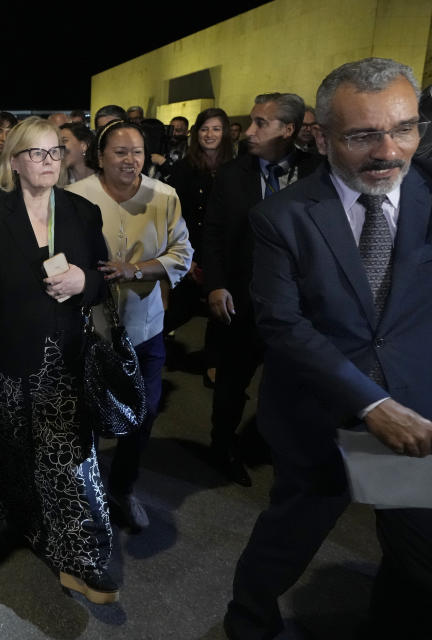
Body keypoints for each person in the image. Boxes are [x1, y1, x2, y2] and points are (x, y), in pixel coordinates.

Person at [225, 57, 432, 640]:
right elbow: (285, 327)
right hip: (318, 419)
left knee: (417, 562)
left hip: (415, 416)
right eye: (363, 135)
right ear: (320, 135)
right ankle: (247, 620)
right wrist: (371, 405)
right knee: (286, 543)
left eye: (405, 128)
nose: (388, 151)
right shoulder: (280, 217)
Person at [0, 117, 117, 603]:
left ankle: (82, 558)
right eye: (37, 153)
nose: (49, 162)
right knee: (13, 444)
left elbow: (103, 277)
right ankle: (27, 524)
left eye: (56, 153)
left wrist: (83, 283)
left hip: (67, 352)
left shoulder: (83, 211)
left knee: (70, 458)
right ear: (15, 161)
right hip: (7, 351)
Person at [67, 120, 192, 532]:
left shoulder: (164, 196)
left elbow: (181, 254)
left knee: (144, 410)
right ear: (99, 157)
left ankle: (123, 487)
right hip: (91, 328)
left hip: (145, 328)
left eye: (137, 151)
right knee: (84, 412)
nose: (130, 160)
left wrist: (136, 269)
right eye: (120, 152)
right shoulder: (74, 197)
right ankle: (84, 492)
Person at [201, 93, 318, 487]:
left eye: (260, 124)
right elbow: (213, 235)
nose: (249, 131)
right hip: (242, 299)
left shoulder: (318, 172)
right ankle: (221, 446)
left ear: (289, 130)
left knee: (289, 381)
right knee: (233, 382)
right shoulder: (233, 175)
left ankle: (278, 446)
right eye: (250, 122)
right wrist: (216, 285)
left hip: (299, 306)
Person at [163, 108, 235, 387]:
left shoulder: (237, 168)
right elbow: (174, 214)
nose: (209, 134)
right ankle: (140, 351)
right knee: (180, 308)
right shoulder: (185, 168)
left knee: (221, 311)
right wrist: (186, 257)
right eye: (204, 129)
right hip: (189, 248)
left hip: (222, 250)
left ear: (225, 133)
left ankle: (213, 364)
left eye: (216, 129)